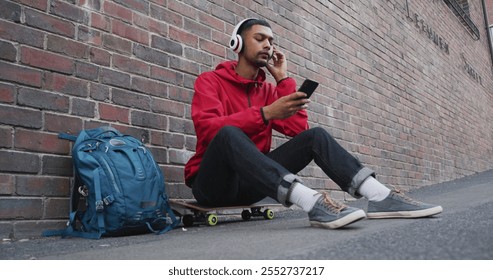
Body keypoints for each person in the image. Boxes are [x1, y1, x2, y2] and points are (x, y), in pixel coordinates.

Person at [184, 18, 443, 229]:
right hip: (212, 185)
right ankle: (312, 203)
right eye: (259, 38)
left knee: (316, 136)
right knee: (228, 133)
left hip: (253, 184)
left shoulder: (268, 91)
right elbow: (208, 129)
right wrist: (265, 114)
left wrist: (283, 81)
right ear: (237, 43)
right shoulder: (210, 81)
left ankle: (380, 196)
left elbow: (298, 131)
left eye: (271, 41)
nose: (268, 45)